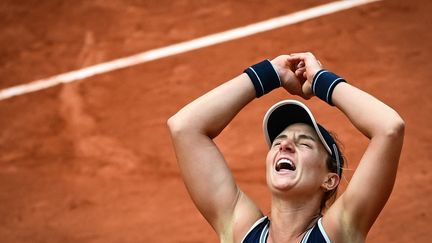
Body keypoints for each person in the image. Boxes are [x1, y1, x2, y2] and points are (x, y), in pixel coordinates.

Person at [167, 52, 404, 243]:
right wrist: (271, 74)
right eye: (278, 142)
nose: (285, 145)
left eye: (304, 143)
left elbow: (389, 128)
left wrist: (321, 79)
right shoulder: (242, 232)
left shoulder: (338, 232)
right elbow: (184, 127)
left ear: (329, 180)